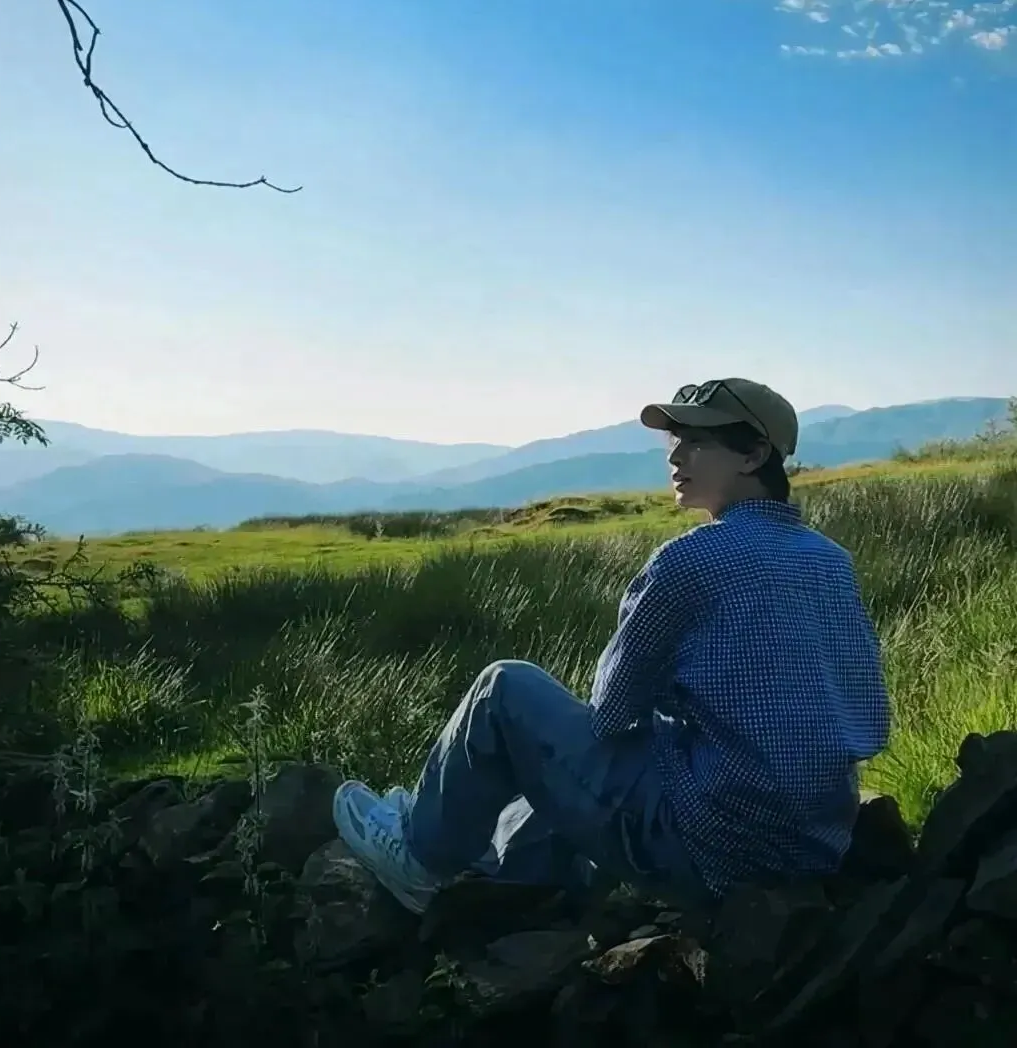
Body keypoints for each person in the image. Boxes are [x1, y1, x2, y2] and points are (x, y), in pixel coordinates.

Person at [332, 377, 891, 914]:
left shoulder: (688, 560)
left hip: (710, 853)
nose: (676, 456)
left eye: (698, 442)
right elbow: (866, 714)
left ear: (753, 455)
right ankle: (512, 870)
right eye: (675, 441)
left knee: (505, 691)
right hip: (813, 845)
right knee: (650, 745)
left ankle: (419, 856)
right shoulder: (831, 562)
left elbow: (611, 712)